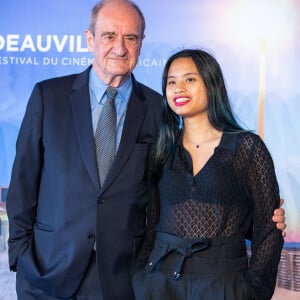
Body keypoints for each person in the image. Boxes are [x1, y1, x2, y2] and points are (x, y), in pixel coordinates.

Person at [6, 1, 286, 300]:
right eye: (109, 36)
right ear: (90, 39)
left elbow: (181, 196)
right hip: (47, 274)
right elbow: (23, 183)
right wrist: (21, 256)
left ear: (141, 43)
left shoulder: (158, 112)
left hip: (122, 281)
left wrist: (254, 220)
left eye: (131, 38)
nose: (120, 47)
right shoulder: (49, 97)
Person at [132, 49, 284, 300]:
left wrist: (253, 289)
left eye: (189, 79)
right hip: (160, 282)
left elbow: (269, 229)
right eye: (171, 82)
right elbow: (152, 224)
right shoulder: (161, 150)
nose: (178, 88)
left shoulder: (247, 147)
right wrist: (140, 280)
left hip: (225, 282)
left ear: (211, 84)